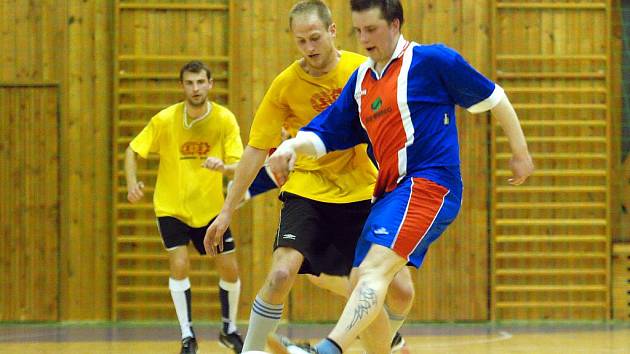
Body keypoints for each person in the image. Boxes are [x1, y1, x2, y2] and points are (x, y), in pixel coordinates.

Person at [266, 0, 535, 353]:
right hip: (389, 193)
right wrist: (291, 148)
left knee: (373, 272)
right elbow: (328, 130)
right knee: (366, 281)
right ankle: (388, 348)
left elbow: (494, 98)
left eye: (372, 30)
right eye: (358, 30)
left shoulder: (433, 61)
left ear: (395, 25)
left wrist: (520, 153)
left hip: (430, 183)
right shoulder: (362, 79)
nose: (364, 39)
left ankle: (326, 351)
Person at [203, 1, 415, 353]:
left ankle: (385, 341)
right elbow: (256, 149)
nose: (309, 48)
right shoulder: (286, 85)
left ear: (332, 31)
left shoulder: (361, 71)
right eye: (300, 41)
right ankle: (253, 349)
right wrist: (226, 211)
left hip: (363, 191)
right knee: (281, 274)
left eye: (315, 38)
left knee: (401, 291)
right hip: (308, 190)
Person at [125, 60, 245, 354]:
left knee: (229, 269)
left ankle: (228, 329)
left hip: (211, 210)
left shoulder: (224, 119)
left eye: (200, 82)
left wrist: (224, 167)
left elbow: (241, 165)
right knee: (179, 264)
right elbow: (132, 150)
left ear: (210, 84)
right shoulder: (165, 120)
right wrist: (132, 183)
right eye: (189, 83)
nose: (195, 88)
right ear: (182, 86)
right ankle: (187, 336)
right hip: (171, 207)